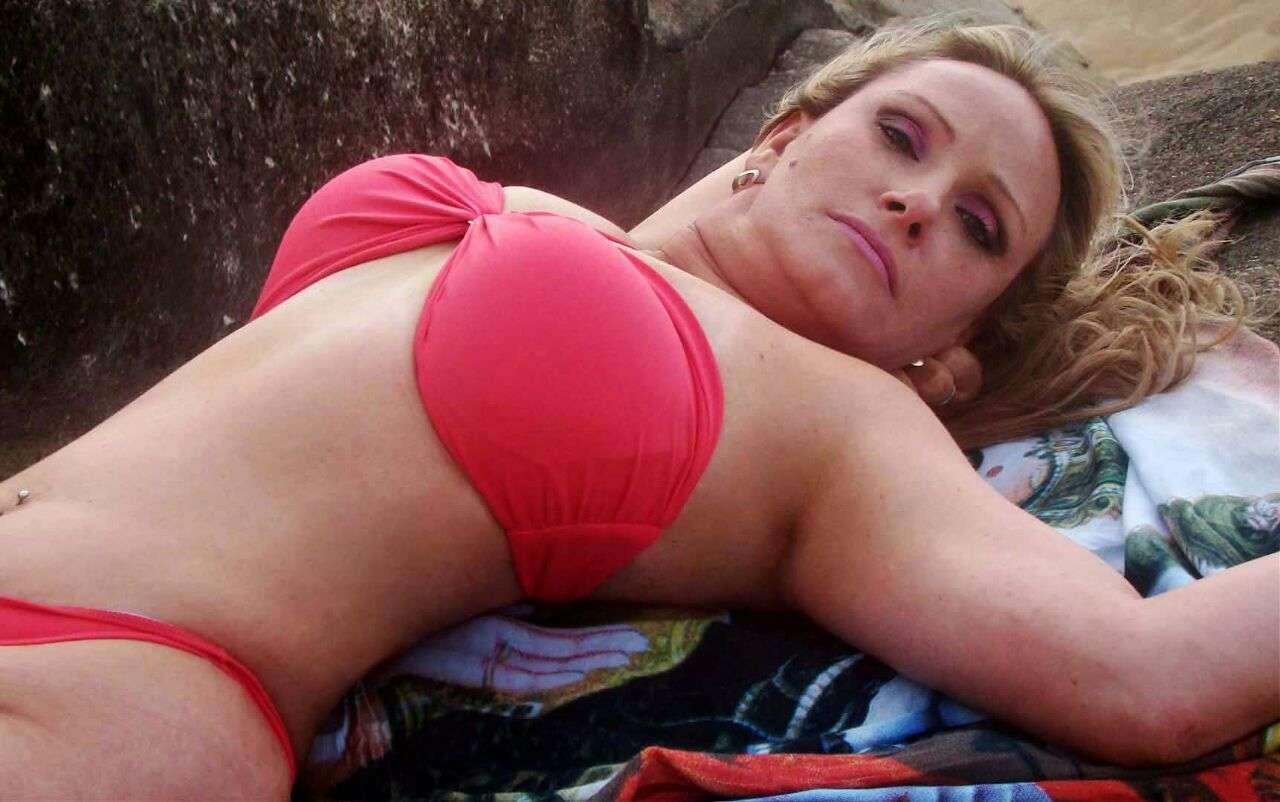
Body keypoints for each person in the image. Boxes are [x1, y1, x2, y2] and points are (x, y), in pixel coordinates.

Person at [0, 20, 1274, 801]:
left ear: (954, 348)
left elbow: (1140, 677)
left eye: (977, 226)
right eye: (900, 135)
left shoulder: (839, 428)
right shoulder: (559, 217)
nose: (917, 201)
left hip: (125, 682)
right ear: (783, 131)